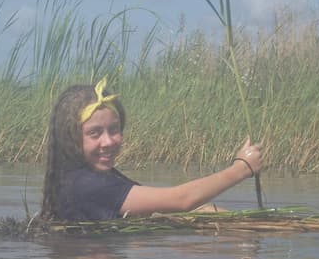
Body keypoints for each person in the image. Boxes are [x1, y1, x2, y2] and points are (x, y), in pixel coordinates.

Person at [41, 77, 263, 221]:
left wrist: (210, 213)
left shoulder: (85, 176)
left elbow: (155, 209)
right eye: (94, 133)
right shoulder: (88, 184)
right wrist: (241, 168)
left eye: (114, 129)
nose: (108, 141)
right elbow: (181, 200)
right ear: (70, 138)